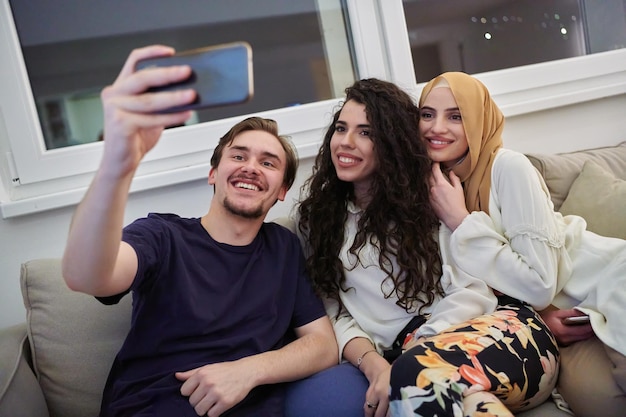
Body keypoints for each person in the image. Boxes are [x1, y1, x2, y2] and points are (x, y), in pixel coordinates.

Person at [61, 45, 338, 417]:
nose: (251, 167)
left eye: (268, 162)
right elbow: (86, 276)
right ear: (213, 174)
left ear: (281, 191)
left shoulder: (283, 248)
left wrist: (248, 371)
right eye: (238, 156)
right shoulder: (162, 235)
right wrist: (117, 164)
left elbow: (323, 346)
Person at [286, 78, 558, 417]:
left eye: (366, 133)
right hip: (429, 368)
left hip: (499, 335)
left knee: (415, 382)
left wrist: (410, 357)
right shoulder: (316, 220)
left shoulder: (430, 197)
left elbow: (472, 292)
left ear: (391, 142)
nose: (346, 142)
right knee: (457, 402)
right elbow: (334, 313)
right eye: (341, 129)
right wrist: (373, 364)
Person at [400, 71, 626, 417]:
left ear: (479, 120)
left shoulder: (509, 168)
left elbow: (539, 284)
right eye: (427, 114)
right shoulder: (437, 185)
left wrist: (461, 221)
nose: (436, 127)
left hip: (606, 277)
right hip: (570, 319)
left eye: (455, 116)